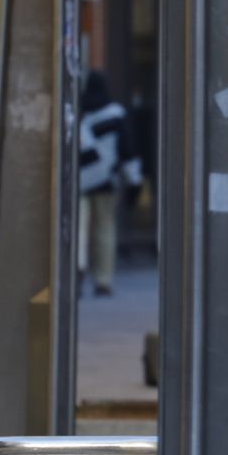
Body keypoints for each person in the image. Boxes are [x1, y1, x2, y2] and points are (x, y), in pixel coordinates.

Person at [78, 71, 142, 297]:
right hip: (107, 181)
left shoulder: (80, 112)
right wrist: (134, 181)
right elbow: (127, 150)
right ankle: (103, 280)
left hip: (80, 181)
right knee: (105, 229)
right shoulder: (116, 113)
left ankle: (79, 266)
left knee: (79, 227)